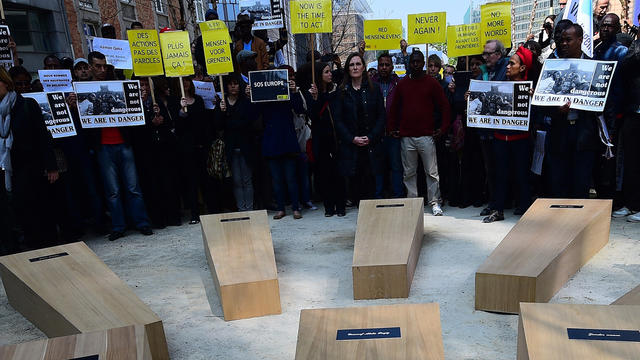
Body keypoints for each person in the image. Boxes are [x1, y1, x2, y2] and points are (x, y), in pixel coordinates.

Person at [86, 51, 153, 240]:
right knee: (113, 191)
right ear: (90, 66)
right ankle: (118, 226)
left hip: (124, 143)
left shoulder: (119, 85)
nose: (101, 69)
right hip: (103, 146)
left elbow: (133, 114)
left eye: (104, 66)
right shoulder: (84, 90)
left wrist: (138, 99)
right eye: (97, 66)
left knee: (133, 187)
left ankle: (142, 223)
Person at [0, 66, 58, 250]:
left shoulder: (27, 105)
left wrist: (51, 166)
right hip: (10, 170)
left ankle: (49, 246)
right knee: (21, 211)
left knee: (39, 209)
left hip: (31, 167)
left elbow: (42, 136)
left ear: (5, 83)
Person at [389, 50, 450, 216]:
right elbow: (393, 108)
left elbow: (444, 106)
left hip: (426, 135)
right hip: (406, 136)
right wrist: (392, 128)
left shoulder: (431, 83)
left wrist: (442, 128)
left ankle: (435, 202)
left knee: (431, 172)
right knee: (409, 173)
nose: (415, 64)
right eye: (412, 62)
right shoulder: (402, 84)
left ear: (423, 63)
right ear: (409, 64)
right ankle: (412, 202)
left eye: (418, 61)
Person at [546, 23, 599, 198]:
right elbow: (542, 103)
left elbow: (605, 101)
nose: (564, 44)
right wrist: (556, 109)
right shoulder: (553, 66)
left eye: (568, 40)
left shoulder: (594, 66)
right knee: (559, 181)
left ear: (580, 40)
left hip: (584, 132)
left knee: (581, 182)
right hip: (559, 132)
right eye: (561, 40)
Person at [483, 47, 534, 223]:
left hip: (520, 140)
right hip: (499, 138)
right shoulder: (498, 84)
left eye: (512, 63)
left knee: (521, 174)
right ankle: (497, 208)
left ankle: (525, 207)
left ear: (522, 68)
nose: (507, 66)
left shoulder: (529, 90)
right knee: (499, 174)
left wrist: (532, 101)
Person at [247, 67, 306, 219]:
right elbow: (253, 115)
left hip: (287, 139)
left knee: (291, 178)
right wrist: (250, 96)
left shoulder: (286, 93)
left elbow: (299, 108)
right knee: (277, 179)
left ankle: (295, 207)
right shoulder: (264, 97)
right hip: (272, 141)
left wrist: (293, 91)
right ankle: (281, 208)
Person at [332, 52, 386, 206]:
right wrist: (351, 138)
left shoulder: (374, 88)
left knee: (371, 184)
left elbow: (381, 116)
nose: (355, 67)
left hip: (371, 144)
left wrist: (371, 136)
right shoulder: (342, 91)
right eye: (351, 64)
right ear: (348, 68)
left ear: (363, 67)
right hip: (351, 146)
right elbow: (338, 120)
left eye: (358, 64)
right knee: (355, 188)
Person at [593, 13, 628, 203]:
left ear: (617, 28)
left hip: (614, 111)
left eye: (611, 26)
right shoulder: (597, 50)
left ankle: (613, 198)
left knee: (611, 156)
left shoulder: (620, 51)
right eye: (604, 25)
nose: (606, 29)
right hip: (598, 110)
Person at [308, 62, 346, 216]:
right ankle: (329, 206)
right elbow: (313, 116)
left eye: (330, 71)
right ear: (319, 75)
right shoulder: (312, 93)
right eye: (326, 72)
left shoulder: (337, 92)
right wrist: (316, 98)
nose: (330, 74)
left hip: (336, 139)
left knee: (338, 174)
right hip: (320, 140)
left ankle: (341, 206)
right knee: (325, 175)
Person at [218, 73, 255, 212]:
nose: (233, 86)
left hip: (245, 146)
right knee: (237, 181)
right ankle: (241, 209)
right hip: (231, 148)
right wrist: (221, 112)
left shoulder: (244, 101)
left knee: (247, 180)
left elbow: (248, 121)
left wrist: (231, 121)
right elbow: (219, 125)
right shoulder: (222, 103)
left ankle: (249, 209)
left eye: (236, 84)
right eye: (230, 84)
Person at [175, 76, 209, 224]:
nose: (186, 83)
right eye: (183, 81)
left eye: (187, 80)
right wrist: (181, 111)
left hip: (201, 145)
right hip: (186, 149)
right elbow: (178, 127)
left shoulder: (199, 100)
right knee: (191, 182)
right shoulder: (175, 102)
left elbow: (203, 122)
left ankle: (210, 211)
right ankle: (195, 214)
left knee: (206, 180)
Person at [371, 52, 403, 198]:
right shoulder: (371, 84)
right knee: (378, 167)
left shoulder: (398, 84)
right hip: (377, 135)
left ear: (392, 66)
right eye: (381, 65)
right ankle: (378, 196)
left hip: (393, 133)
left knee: (396, 166)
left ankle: (398, 195)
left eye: (387, 65)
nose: (383, 67)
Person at [615, 36, 640, 221]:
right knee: (631, 161)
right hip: (634, 111)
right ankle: (631, 204)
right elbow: (625, 66)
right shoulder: (635, 45)